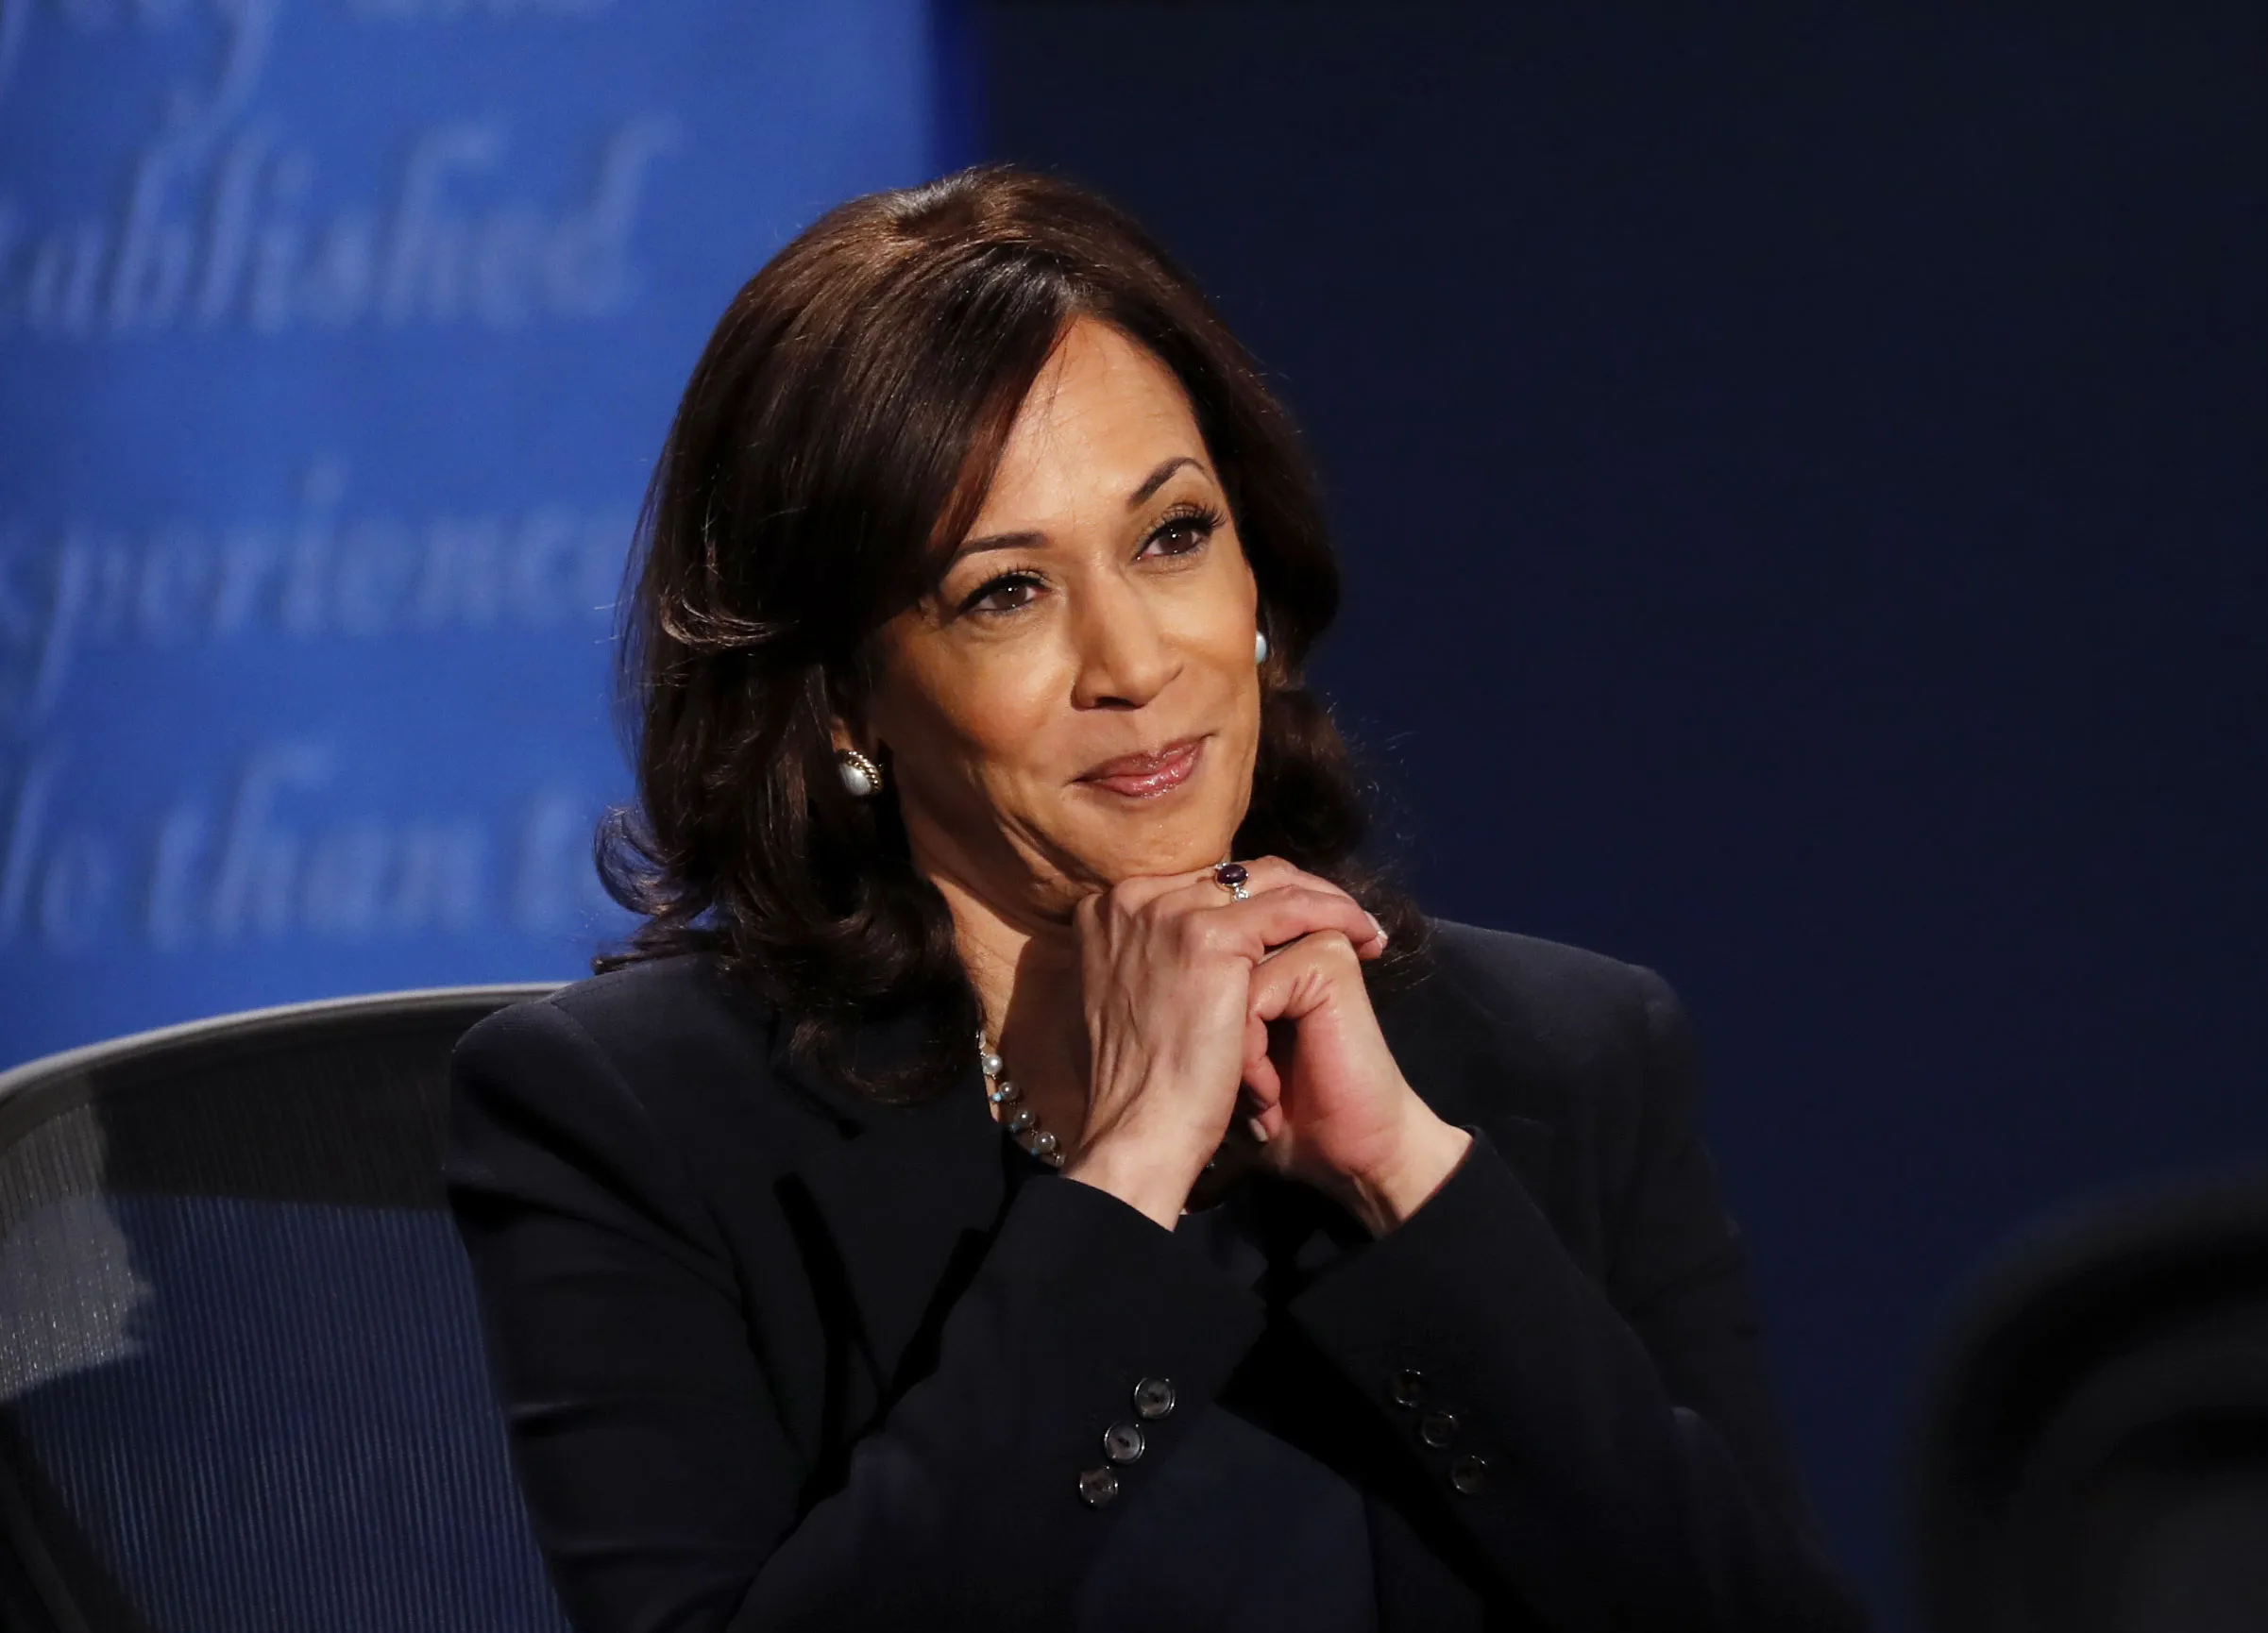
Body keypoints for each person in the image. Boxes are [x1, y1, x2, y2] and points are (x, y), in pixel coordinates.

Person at [444, 164, 1869, 1632]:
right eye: (1003, 590)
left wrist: (1409, 1183)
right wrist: (1123, 1182)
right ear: (844, 698)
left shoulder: (1567, 1059)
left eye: (1172, 535)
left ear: (1256, 575)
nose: (1132, 663)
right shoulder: (632, 1120)